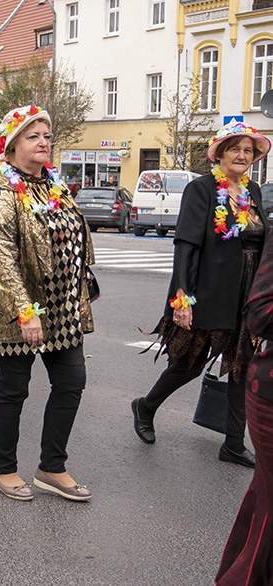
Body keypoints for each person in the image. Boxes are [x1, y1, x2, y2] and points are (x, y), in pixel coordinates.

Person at [131, 121, 271, 468]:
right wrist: (182, 296)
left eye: (248, 151)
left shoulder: (252, 191)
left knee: (242, 365)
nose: (242, 155)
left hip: (248, 294)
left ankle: (233, 443)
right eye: (235, 149)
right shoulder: (203, 189)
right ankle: (145, 407)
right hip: (208, 289)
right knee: (190, 363)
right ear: (220, 153)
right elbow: (186, 245)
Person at [0, 105, 96, 502]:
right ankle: (4, 468)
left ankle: (51, 466)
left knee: (71, 383)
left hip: (62, 307)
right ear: (12, 147)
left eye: (47, 135)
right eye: (34, 136)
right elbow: (1, 258)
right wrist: (24, 310)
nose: (44, 142)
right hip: (19, 312)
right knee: (13, 389)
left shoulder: (54, 187)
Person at [216, 233, 273, 584]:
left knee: (264, 497)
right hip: (269, 389)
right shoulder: (203, 192)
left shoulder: (251, 192)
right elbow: (259, 312)